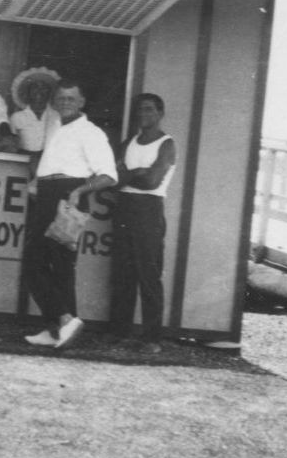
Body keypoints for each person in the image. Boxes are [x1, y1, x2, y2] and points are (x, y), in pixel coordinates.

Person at [23, 80, 117, 349]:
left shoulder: (91, 132)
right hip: (48, 192)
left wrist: (79, 192)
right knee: (56, 268)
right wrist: (38, 181)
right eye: (61, 98)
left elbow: (109, 175)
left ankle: (63, 320)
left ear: (81, 102)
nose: (65, 102)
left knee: (37, 263)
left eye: (71, 98)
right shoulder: (55, 124)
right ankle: (57, 330)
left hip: (69, 196)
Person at [110, 93, 176, 354]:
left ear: (160, 113)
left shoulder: (167, 144)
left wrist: (129, 175)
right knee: (123, 275)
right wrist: (135, 173)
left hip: (148, 210)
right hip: (124, 208)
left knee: (148, 275)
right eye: (140, 110)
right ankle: (121, 333)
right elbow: (112, 178)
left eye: (150, 110)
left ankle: (152, 338)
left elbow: (152, 182)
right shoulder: (129, 143)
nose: (144, 115)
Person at [9, 67, 61, 168]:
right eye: (35, 87)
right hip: (22, 167)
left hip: (51, 167)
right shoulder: (17, 117)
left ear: (50, 92)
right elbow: (11, 147)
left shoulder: (57, 116)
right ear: (28, 91)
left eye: (44, 88)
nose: (39, 91)